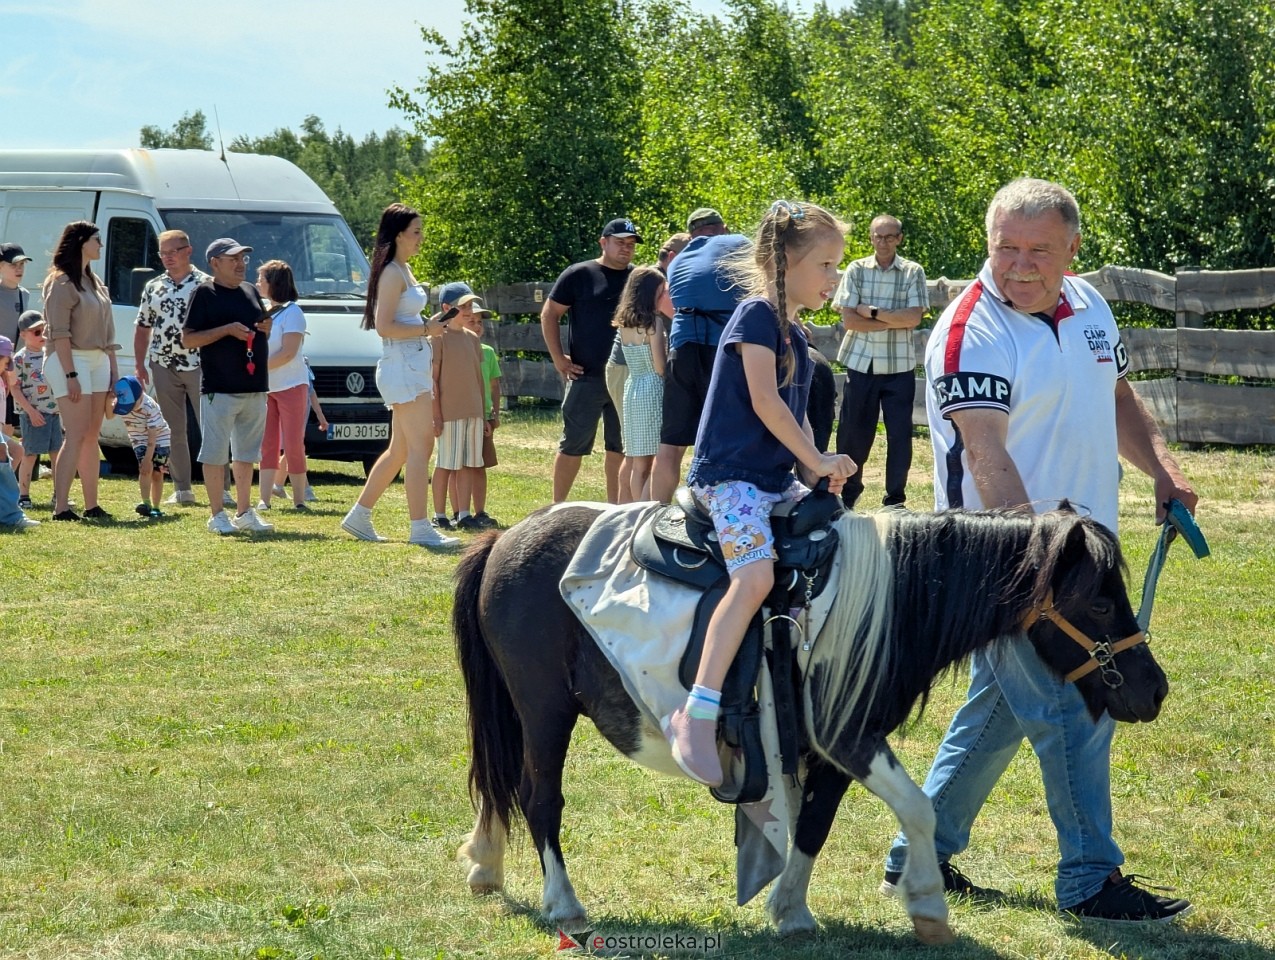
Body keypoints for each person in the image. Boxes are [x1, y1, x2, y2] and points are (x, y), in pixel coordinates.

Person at [882, 179, 1198, 923]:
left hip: (1081, 554)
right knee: (1076, 698)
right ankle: (1089, 879)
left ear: (1072, 250)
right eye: (1005, 248)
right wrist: (1040, 566)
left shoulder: (1088, 306)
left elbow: (1115, 394)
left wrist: (1163, 469)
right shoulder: (968, 330)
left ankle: (916, 858)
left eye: (1038, 250)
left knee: (996, 710)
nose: (1019, 266)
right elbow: (986, 453)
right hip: (1005, 561)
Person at [662, 200, 856, 786]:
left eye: (836, 266)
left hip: (773, 480)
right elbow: (767, 404)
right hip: (733, 477)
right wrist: (817, 458)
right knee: (755, 577)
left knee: (839, 544)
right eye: (824, 265)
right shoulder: (755, 317)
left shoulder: (794, 329)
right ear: (781, 262)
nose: (833, 279)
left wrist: (817, 473)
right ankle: (696, 711)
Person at [340, 204, 458, 549]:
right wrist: (426, 328)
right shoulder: (392, 272)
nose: (421, 238)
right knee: (422, 446)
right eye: (416, 231)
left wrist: (428, 326)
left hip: (409, 365)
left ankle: (359, 516)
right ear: (398, 235)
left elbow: (401, 323)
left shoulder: (401, 270)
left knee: (400, 451)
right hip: (402, 367)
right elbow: (383, 327)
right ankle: (420, 527)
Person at [650, 209, 752, 503]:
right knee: (729, 436)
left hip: (681, 352)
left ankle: (655, 511)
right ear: (724, 228)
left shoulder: (677, 260)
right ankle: (725, 507)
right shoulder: (738, 244)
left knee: (670, 444)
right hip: (721, 351)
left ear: (691, 234)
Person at [540, 217, 641, 503]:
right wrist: (558, 358)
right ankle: (556, 508)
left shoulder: (637, 278)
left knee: (620, 447)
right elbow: (549, 314)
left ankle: (616, 509)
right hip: (586, 375)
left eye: (631, 244)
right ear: (603, 242)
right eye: (620, 242)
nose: (626, 249)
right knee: (573, 444)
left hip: (627, 376)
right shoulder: (579, 274)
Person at [831, 214, 928, 510]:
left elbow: (913, 317)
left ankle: (895, 500)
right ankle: (847, 496)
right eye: (877, 236)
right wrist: (893, 319)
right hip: (862, 363)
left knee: (900, 437)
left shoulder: (913, 271)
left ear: (899, 238)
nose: (883, 242)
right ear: (871, 238)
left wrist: (870, 312)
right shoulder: (856, 269)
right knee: (853, 435)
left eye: (889, 236)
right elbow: (849, 320)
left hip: (898, 366)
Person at [182, 238, 274, 535]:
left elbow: (260, 329)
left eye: (243, 259)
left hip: (254, 385)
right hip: (219, 387)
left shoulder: (250, 291)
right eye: (233, 259)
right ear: (215, 263)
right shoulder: (204, 293)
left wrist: (266, 329)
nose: (240, 264)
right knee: (215, 454)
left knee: (247, 454)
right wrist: (226, 330)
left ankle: (245, 512)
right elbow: (189, 339)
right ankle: (217, 515)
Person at [42, 221, 118, 522]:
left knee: (91, 434)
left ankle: (91, 505)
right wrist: (71, 375)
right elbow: (59, 333)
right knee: (75, 434)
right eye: (97, 240)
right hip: (68, 359)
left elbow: (109, 334)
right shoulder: (61, 282)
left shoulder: (94, 281)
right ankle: (61, 507)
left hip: (98, 359)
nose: (101, 245)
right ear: (81, 242)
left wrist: (113, 374)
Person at [133, 229, 209, 505]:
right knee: (172, 428)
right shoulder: (154, 286)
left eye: (173, 252)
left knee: (210, 426)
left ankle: (221, 487)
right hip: (163, 364)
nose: (168, 258)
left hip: (200, 364)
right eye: (163, 253)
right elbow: (142, 327)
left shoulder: (206, 284)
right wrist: (140, 364)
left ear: (188, 251)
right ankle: (182, 489)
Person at [255, 260, 313, 512]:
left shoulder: (293, 313)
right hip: (268, 388)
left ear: (274, 283)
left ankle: (300, 499)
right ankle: (264, 499)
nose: (258, 283)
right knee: (267, 444)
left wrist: (257, 369)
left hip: (291, 386)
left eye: (262, 279)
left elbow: (288, 353)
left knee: (292, 443)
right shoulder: (263, 310)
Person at [430, 282, 487, 531]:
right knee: (445, 463)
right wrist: (436, 415)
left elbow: (478, 378)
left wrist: (484, 415)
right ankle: (439, 513)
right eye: (462, 305)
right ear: (446, 308)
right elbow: (433, 378)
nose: (468, 310)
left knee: (467, 463)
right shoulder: (438, 338)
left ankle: (463, 513)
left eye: (469, 305)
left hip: (473, 411)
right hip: (449, 412)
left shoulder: (472, 339)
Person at [613, 266, 670, 501]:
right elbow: (660, 367)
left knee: (637, 462)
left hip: (633, 388)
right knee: (656, 459)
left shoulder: (625, 324)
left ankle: (637, 507)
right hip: (652, 390)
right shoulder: (654, 324)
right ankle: (647, 509)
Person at [11, 311, 62, 507]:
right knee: (30, 453)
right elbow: (15, 388)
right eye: (36, 332)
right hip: (32, 414)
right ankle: (24, 495)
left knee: (57, 453)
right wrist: (31, 412)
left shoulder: (50, 353)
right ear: (23, 334)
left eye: (44, 331)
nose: (42, 336)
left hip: (53, 412)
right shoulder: (20, 359)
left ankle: (59, 494)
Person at [108, 375, 171, 518]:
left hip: (160, 439)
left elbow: (153, 436)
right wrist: (109, 397)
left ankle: (156, 507)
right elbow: (109, 415)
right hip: (139, 440)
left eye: (132, 405)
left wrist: (149, 459)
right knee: (144, 470)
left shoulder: (149, 407)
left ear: (139, 395)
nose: (130, 409)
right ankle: (146, 503)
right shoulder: (121, 403)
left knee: (157, 472)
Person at [1, 243, 34, 437]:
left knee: (8, 428)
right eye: (13, 264)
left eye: (22, 264)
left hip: (14, 373)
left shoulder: (24, 295)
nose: (19, 269)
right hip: (1, 370)